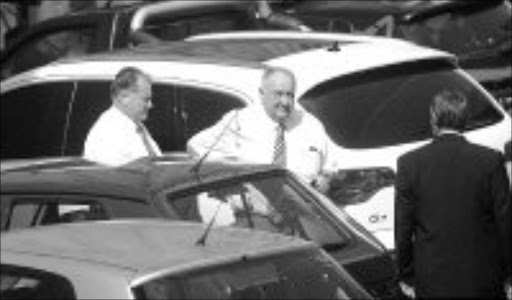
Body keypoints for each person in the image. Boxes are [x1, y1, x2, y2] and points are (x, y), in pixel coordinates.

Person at [394, 89, 511, 299]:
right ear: (465, 119)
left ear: (433, 117)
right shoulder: (490, 161)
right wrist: (509, 275)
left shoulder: (409, 164)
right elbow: (505, 223)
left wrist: (406, 275)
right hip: (483, 279)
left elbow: (403, 228)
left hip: (433, 281)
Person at [187, 66, 334, 191]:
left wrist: (324, 179)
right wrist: (229, 182)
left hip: (301, 211)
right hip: (254, 214)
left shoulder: (310, 125)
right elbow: (196, 146)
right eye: (278, 94)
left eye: (290, 95)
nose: (285, 101)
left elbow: (330, 167)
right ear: (262, 94)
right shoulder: (239, 121)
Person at [83, 66, 161, 166]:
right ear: (124, 97)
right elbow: (115, 178)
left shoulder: (135, 126)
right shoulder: (107, 135)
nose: (150, 105)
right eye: (145, 100)